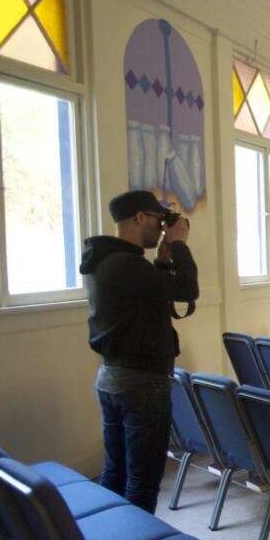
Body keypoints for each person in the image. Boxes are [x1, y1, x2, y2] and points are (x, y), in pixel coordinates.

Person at [80, 190, 198, 512]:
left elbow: (148, 300)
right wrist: (181, 245)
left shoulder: (105, 260)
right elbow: (188, 290)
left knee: (115, 472)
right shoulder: (127, 265)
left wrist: (161, 262)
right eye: (158, 219)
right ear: (139, 217)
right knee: (142, 481)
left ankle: (115, 537)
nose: (162, 227)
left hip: (112, 376)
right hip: (142, 384)